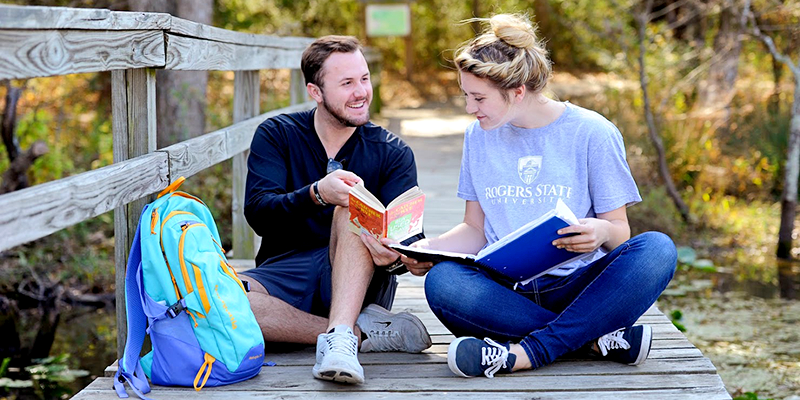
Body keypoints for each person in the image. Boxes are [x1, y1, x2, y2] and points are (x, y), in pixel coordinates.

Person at [400, 14, 677, 378]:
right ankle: (593, 339)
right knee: (442, 281)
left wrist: (601, 232)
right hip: (504, 293)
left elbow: (619, 230)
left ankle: (525, 353)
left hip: (578, 287)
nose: (470, 108)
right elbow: (474, 229)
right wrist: (428, 249)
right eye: (466, 95)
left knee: (658, 249)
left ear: (516, 92)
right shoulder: (478, 136)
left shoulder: (593, 132)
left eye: (479, 97)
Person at [239, 35, 431, 385]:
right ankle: (357, 334)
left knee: (351, 205)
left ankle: (341, 335)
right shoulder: (277, 135)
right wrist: (315, 194)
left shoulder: (392, 152)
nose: (361, 92)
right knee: (220, 300)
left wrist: (401, 258)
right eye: (346, 83)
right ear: (315, 91)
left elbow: (409, 237)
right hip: (285, 273)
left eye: (364, 78)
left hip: (358, 281)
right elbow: (258, 213)